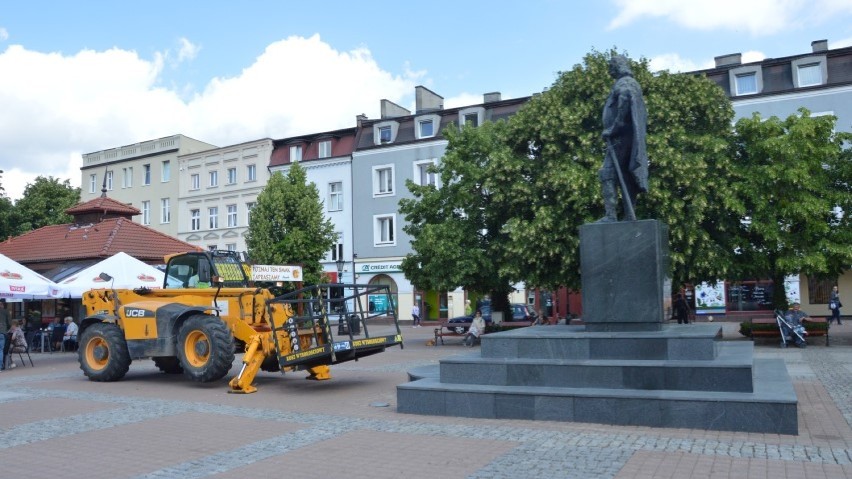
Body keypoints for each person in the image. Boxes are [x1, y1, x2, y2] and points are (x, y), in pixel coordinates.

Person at [597, 54, 649, 222]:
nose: (610, 71)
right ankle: (628, 216)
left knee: (607, 173)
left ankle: (611, 216)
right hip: (625, 137)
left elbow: (625, 98)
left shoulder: (625, 83)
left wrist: (613, 128)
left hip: (620, 138)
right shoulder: (631, 83)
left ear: (616, 66)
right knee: (626, 176)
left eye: (611, 67)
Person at [0, 299, 9, 371]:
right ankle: (0, 366)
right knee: (0, 350)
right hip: (2, 333)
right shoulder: (5, 312)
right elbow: (9, 324)